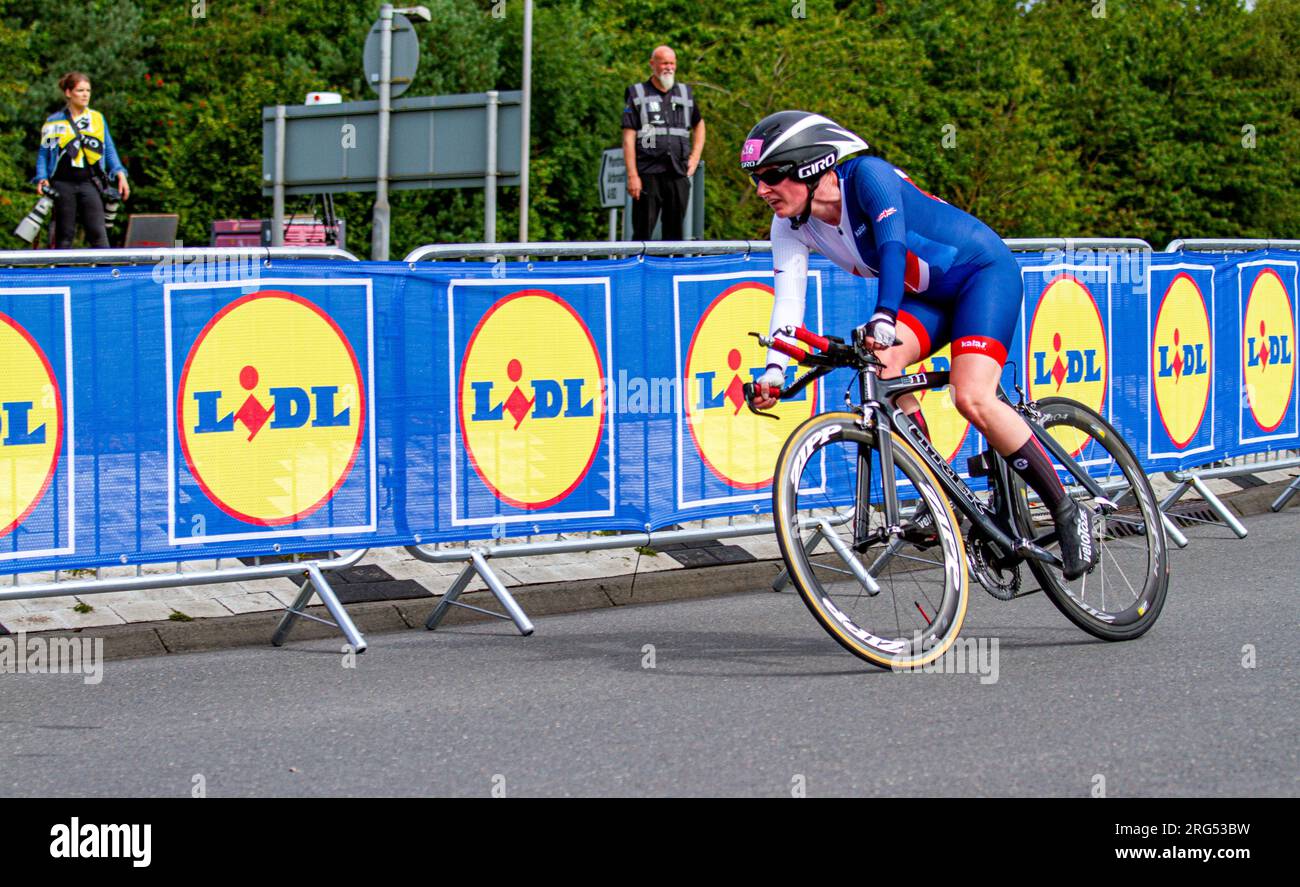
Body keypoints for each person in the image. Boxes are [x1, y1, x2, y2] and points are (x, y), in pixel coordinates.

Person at [742, 110, 1098, 580]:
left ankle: (1067, 509)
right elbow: (788, 302)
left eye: (771, 176)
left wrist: (885, 314)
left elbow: (890, 246)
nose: (762, 189)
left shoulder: (868, 176)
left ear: (812, 167)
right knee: (882, 366)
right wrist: (774, 371)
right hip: (927, 298)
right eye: (756, 179)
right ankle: (935, 492)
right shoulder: (790, 226)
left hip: (981, 276)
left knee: (971, 396)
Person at [34, 71, 130, 249]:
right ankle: (62, 275)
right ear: (69, 93)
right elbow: (44, 154)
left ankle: (106, 273)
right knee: (64, 235)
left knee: (98, 233)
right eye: (80, 90)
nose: (85, 94)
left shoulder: (97, 119)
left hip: (89, 182)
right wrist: (41, 178)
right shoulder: (54, 122)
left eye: (88, 90)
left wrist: (120, 174)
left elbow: (108, 149)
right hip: (62, 183)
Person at [621, 45, 704, 241]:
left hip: (677, 171)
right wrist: (632, 175)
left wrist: (695, 156)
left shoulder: (685, 93)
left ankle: (670, 270)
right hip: (648, 170)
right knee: (643, 230)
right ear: (653, 64)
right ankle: (640, 269)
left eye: (672, 63)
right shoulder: (637, 93)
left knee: (675, 233)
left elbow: (699, 124)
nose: (669, 67)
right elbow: (628, 137)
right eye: (664, 63)